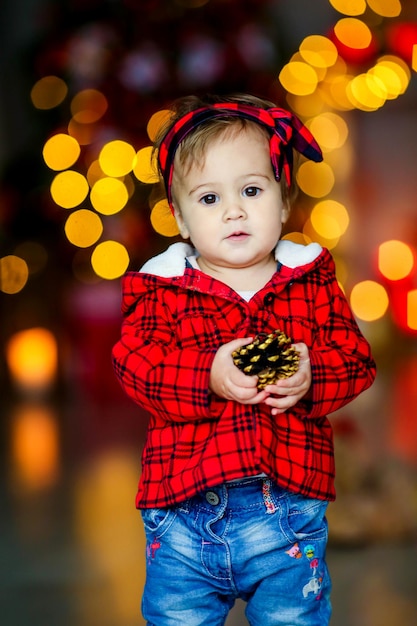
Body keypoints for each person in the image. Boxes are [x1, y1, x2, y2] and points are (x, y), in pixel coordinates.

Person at [112, 93, 376, 626]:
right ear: (179, 217)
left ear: (282, 203)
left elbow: (356, 358)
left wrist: (311, 373)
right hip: (182, 515)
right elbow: (134, 364)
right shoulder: (161, 290)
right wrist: (208, 373)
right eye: (208, 199)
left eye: (252, 190)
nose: (234, 210)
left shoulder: (310, 280)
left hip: (290, 517)